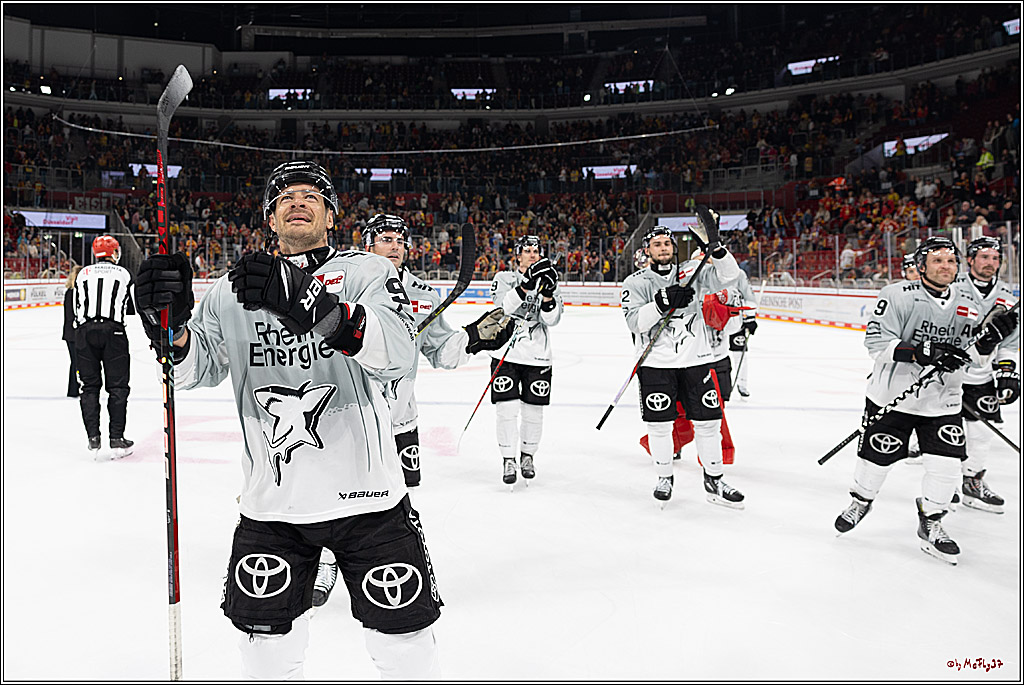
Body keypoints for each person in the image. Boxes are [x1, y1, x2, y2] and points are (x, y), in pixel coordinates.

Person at [134, 160, 443, 679]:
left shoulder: (368, 273)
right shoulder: (233, 290)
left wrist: (314, 305)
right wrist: (168, 327)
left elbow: (398, 355)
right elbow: (191, 372)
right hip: (274, 505)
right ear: (270, 218)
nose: (297, 201)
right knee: (264, 653)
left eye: (311, 196)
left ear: (330, 216)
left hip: (368, 498)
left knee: (405, 647)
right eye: (285, 197)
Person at [305, 213, 513, 608]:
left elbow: (442, 351)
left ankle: (385, 558)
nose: (396, 245)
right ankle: (328, 559)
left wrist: (474, 337)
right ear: (368, 244)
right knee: (338, 488)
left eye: (401, 239)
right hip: (347, 412)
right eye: (386, 239)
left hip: (401, 416)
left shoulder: (422, 295)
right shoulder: (341, 280)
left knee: (395, 494)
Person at [833, 236, 1017, 565]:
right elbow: (876, 343)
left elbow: (973, 356)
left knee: (946, 468)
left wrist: (990, 340)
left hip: (943, 400)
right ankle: (862, 500)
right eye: (937, 261)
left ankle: (931, 522)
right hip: (893, 397)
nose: (945, 267)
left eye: (950, 261)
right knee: (875, 461)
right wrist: (921, 351)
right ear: (921, 266)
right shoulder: (897, 295)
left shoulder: (968, 303)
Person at [620, 221, 746, 507]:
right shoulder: (636, 282)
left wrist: (717, 250)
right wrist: (662, 303)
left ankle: (714, 479)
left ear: (674, 248)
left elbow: (730, 276)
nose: (663, 248)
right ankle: (664, 477)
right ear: (647, 251)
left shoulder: (693, 272)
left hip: (697, 361)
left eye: (667, 243)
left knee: (709, 422)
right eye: (657, 245)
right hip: (656, 364)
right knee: (660, 425)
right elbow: (635, 322)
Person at [489, 235, 564, 487]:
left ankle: (528, 456)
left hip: (538, 355)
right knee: (506, 410)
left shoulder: (550, 280)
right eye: (527, 250)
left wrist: (548, 296)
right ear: (517, 255)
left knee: (533, 412)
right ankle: (508, 458)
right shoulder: (503, 278)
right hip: (505, 354)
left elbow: (552, 320)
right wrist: (526, 284)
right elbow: (502, 310)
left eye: (536, 250)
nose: (532, 254)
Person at [954, 237, 1020, 513]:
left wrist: (1007, 372)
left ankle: (972, 482)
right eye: (984, 257)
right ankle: (944, 486)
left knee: (982, 432)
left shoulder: (1008, 297)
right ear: (970, 260)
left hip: (980, 377)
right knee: (946, 433)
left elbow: (1010, 343)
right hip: (949, 375)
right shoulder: (952, 288)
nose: (990, 263)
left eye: (995, 258)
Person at [73, 236, 135, 458]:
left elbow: (76, 306)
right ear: (114, 252)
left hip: (85, 332)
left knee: (89, 387)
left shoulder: (82, 273)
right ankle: (116, 437)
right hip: (114, 332)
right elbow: (130, 306)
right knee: (117, 387)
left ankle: (93, 438)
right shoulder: (124, 273)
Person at [63, 265, 83, 398]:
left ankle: (75, 388)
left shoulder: (70, 292)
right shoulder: (75, 293)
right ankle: (73, 390)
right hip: (74, 332)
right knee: (76, 362)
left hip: (70, 332)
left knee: (76, 362)